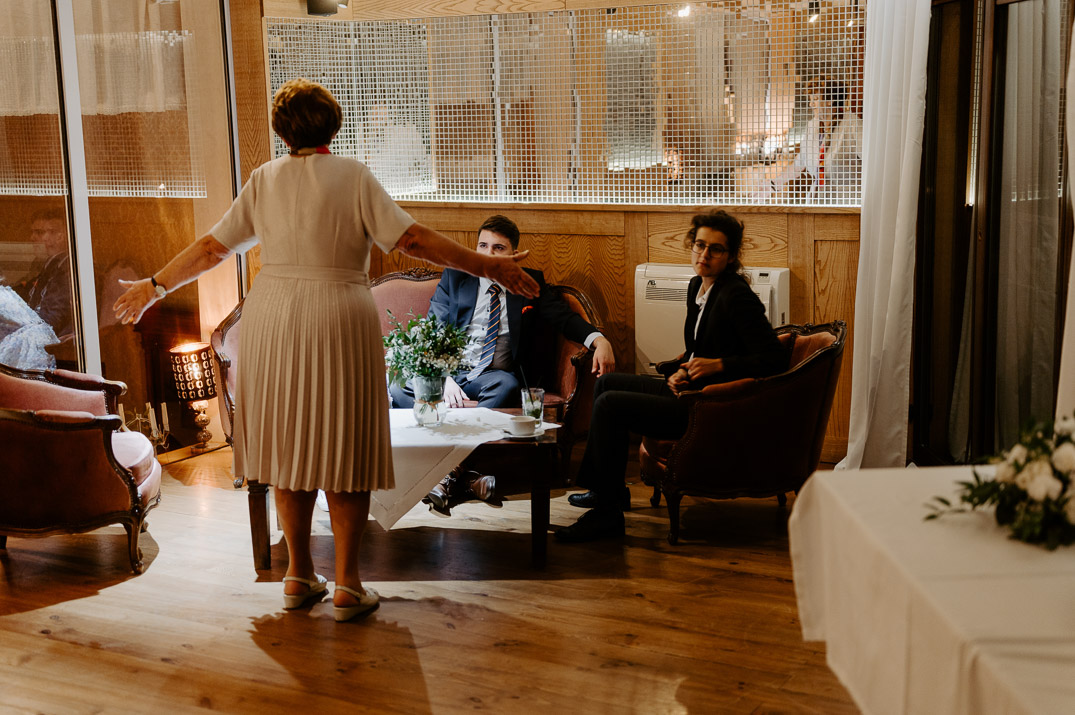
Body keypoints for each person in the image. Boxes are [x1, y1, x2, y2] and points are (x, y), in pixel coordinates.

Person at [113, 78, 539, 621]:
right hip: (338, 313)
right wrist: (486, 265)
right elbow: (412, 240)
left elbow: (212, 248)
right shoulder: (353, 176)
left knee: (289, 448)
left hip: (273, 317)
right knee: (345, 449)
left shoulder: (264, 179)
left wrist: (155, 286)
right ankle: (347, 585)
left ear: (281, 131)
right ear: (333, 126)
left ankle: (297, 575)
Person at [555, 210, 788, 543]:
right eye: (699, 245)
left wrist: (720, 366)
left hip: (708, 406)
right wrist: (682, 369)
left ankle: (606, 516)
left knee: (610, 405)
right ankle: (610, 492)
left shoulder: (737, 296)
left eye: (716, 249)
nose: (704, 255)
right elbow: (697, 348)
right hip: (689, 390)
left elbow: (774, 359)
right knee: (607, 383)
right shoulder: (698, 286)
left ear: (731, 256)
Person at [389, 214, 615, 513]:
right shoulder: (456, 277)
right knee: (400, 387)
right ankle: (467, 477)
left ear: (513, 255)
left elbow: (564, 318)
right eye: (483, 246)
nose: (489, 254)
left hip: (492, 376)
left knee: (506, 384)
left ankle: (447, 472)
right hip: (453, 372)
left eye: (498, 248)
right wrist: (443, 378)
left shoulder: (527, 282)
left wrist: (599, 340)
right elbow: (435, 326)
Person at [17, 208, 74, 338]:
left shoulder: (68, 270)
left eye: (39, 232)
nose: (32, 238)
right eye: (32, 232)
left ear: (59, 237)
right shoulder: (44, 266)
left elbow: (53, 318)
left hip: (53, 345)